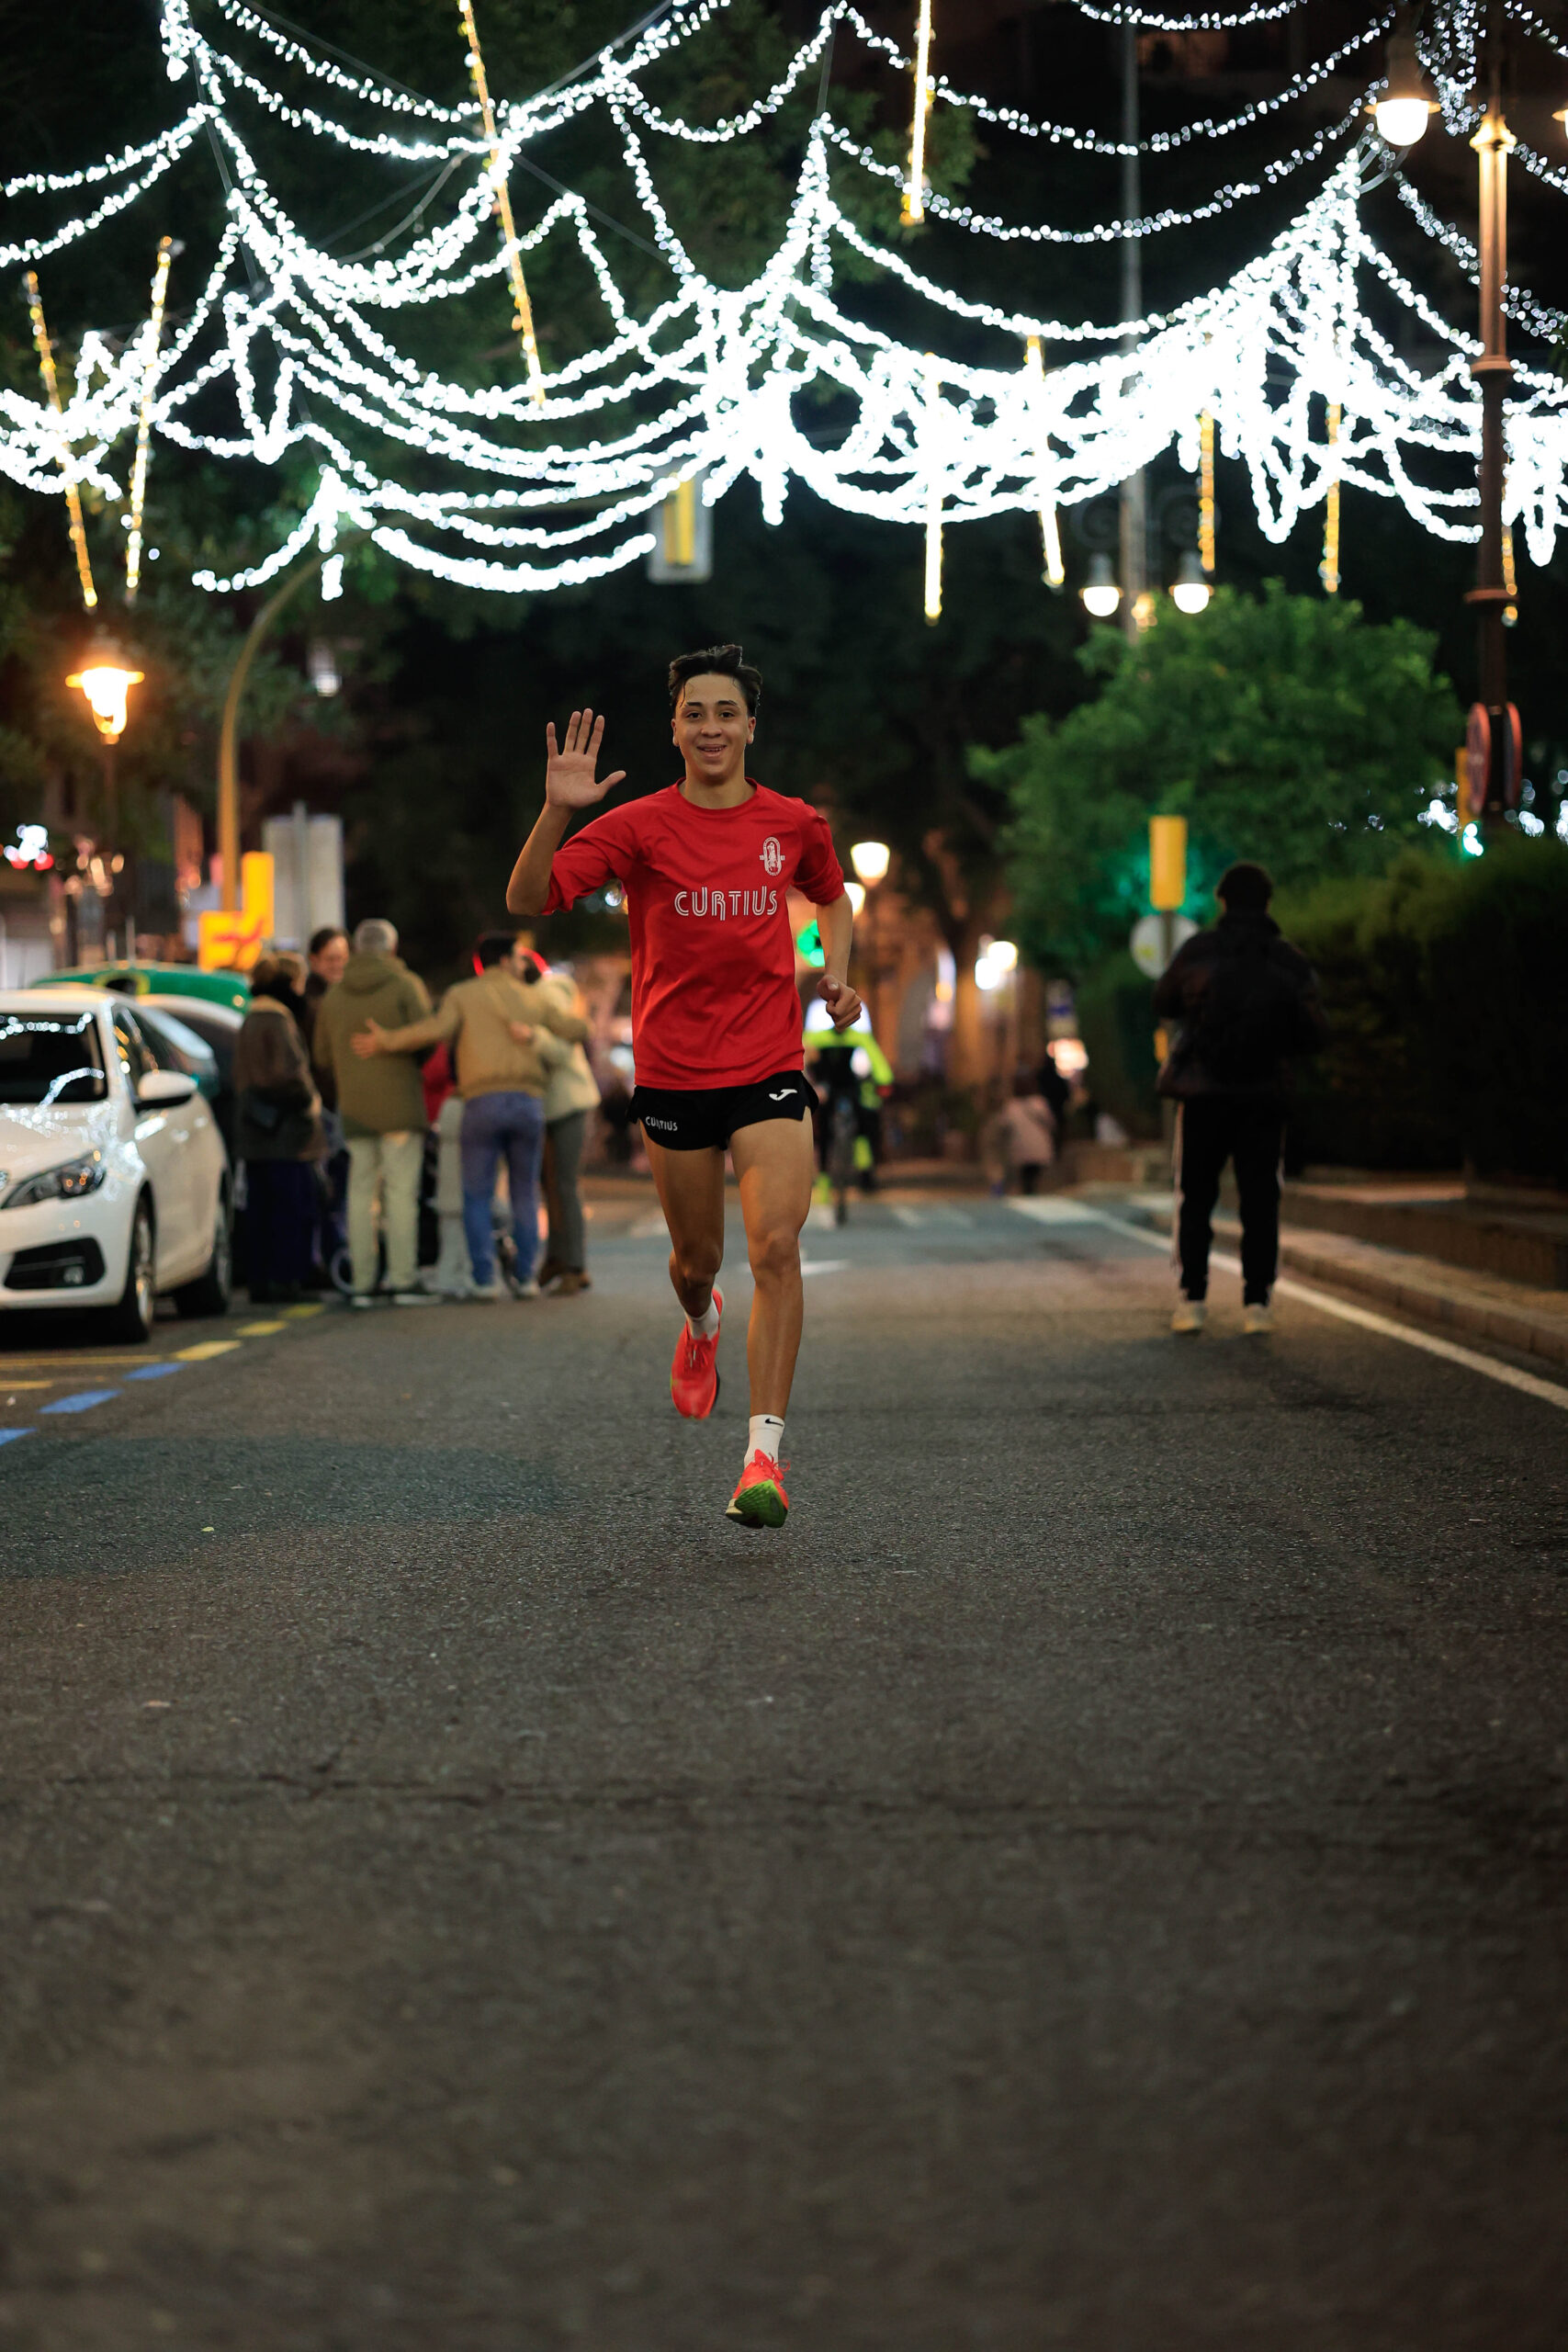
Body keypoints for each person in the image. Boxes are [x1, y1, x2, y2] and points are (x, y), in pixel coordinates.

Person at [505, 641, 860, 1529]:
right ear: (674, 729)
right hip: (673, 1073)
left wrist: (837, 973)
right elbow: (527, 899)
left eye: (725, 713)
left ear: (750, 727)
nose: (710, 727)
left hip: (768, 1063)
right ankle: (700, 1322)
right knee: (696, 1261)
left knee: (775, 1246)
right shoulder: (637, 826)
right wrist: (556, 811)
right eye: (694, 713)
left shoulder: (792, 823)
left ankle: (762, 1460)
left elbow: (832, 893)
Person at [1154, 860, 1329, 1337]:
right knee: (1260, 1200)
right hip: (1264, 1094)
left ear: (1223, 901)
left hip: (1203, 1093)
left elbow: (1162, 1000)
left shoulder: (1198, 952)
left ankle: (1192, 1298)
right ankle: (1257, 1303)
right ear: (1268, 903)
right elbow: (1315, 1032)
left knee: (1196, 1197)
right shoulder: (1289, 961)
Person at [353, 931, 574, 1301]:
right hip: (527, 1102)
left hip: (481, 1103)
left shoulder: (462, 994)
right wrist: (541, 1032)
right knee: (524, 1192)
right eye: (518, 958)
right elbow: (577, 1029)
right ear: (505, 960)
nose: (522, 964)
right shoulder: (534, 996)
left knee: (477, 1194)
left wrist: (386, 1040)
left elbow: (433, 1030)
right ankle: (525, 1278)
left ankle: (484, 1280)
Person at [311, 917, 433, 1306]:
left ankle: (362, 1283)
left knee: (360, 1194)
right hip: (400, 1105)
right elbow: (427, 1038)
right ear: (391, 948)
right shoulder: (405, 985)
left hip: (354, 1108)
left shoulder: (334, 995)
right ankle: (402, 1279)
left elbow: (321, 1057)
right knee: (400, 1194)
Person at [233, 952, 326, 1304]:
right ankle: (286, 1280)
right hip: (285, 1135)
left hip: (257, 1132)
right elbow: (288, 1075)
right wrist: (307, 1100)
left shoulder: (251, 1019)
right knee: (290, 1209)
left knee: (261, 1211)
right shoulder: (276, 1020)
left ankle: (262, 1279)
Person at [300, 925, 350, 1280]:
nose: (338, 965)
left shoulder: (340, 997)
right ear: (314, 960)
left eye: (343, 958)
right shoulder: (312, 1003)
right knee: (329, 1190)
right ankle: (328, 1260)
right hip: (325, 1109)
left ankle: (332, 1260)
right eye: (331, 959)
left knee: (336, 1189)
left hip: (335, 1107)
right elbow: (319, 1061)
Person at [999, 1071, 1056, 1194]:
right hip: (1038, 1148)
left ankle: (1029, 1192)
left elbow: (1004, 1127)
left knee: (1026, 1177)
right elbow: (1051, 1123)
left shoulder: (1011, 1106)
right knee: (1033, 1177)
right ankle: (1031, 1193)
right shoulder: (1039, 1103)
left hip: (1020, 1149)